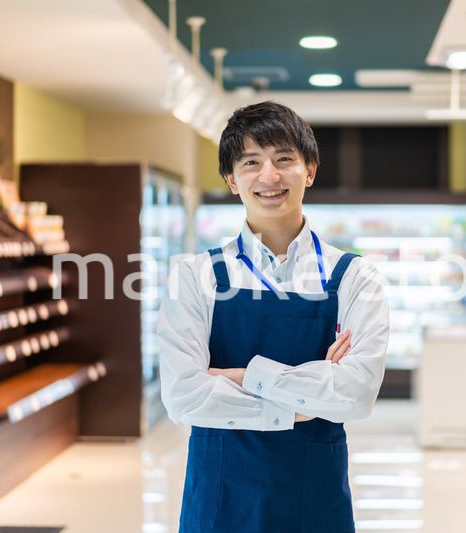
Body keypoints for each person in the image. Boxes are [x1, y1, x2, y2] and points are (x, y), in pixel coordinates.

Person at [157, 101, 390, 533]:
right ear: (231, 180)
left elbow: (357, 393)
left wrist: (242, 377)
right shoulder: (194, 276)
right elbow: (183, 395)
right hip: (218, 501)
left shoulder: (354, 277)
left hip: (314, 499)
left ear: (311, 171)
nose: (269, 176)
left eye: (285, 159)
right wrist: (305, 403)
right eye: (251, 163)